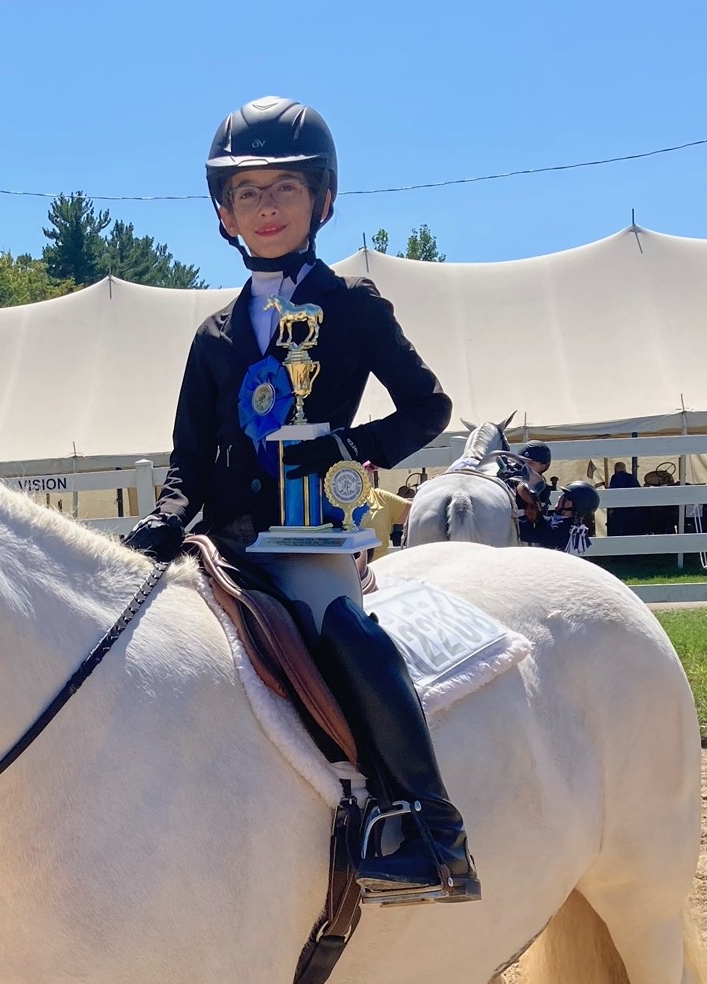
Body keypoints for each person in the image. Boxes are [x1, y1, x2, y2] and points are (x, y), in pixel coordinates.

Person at [123, 97, 477, 902]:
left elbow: (429, 408)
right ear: (224, 213)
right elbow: (189, 460)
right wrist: (162, 521)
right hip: (226, 542)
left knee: (340, 633)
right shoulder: (214, 337)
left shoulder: (352, 306)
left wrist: (347, 449)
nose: (267, 206)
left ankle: (428, 827)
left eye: (284, 188)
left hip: (314, 533)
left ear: (322, 198)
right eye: (248, 192)